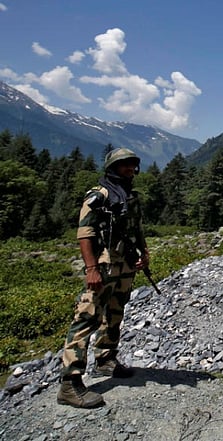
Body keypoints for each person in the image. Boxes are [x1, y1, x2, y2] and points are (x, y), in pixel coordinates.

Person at [57, 147, 149, 408]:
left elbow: (137, 229)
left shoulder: (130, 196)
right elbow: (84, 233)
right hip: (103, 266)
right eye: (124, 165)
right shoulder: (99, 196)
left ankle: (106, 359)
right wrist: (91, 269)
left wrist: (145, 254)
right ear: (112, 168)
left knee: (115, 313)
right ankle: (69, 383)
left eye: (132, 165)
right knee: (87, 317)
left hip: (125, 266)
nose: (129, 169)